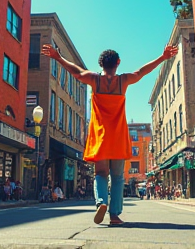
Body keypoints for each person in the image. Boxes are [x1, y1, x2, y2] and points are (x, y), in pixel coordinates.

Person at [41, 43, 178, 225]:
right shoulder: (123, 81)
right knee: (118, 177)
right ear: (118, 63)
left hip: (100, 136)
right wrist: (163, 57)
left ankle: (101, 202)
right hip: (118, 137)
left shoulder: (94, 80)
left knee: (101, 174)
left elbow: (77, 72)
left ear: (101, 64)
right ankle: (114, 215)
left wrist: (58, 58)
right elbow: (141, 72)